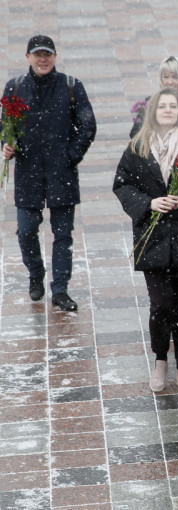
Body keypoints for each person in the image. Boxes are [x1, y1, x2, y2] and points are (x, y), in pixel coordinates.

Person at [113, 88, 178, 394]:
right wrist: (148, 204)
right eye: (163, 106)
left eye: (173, 106)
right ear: (153, 112)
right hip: (153, 238)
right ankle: (161, 359)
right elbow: (122, 184)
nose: (168, 110)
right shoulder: (138, 146)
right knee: (160, 304)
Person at [2, 35, 97, 312]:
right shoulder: (15, 87)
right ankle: (35, 272)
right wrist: (7, 145)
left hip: (61, 173)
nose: (43, 59)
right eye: (37, 54)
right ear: (28, 57)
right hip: (28, 173)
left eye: (47, 54)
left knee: (63, 234)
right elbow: (3, 125)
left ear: (55, 56)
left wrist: (71, 155)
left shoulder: (71, 86)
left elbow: (87, 124)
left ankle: (61, 289)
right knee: (26, 231)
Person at [130, 56, 178, 138]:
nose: (170, 82)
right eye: (166, 77)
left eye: (175, 77)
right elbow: (136, 134)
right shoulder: (150, 102)